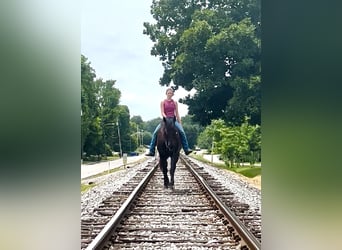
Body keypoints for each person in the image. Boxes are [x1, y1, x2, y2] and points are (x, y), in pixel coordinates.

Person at [145, 88, 193, 156]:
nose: (169, 94)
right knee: (155, 132)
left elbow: (177, 113)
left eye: (171, 93)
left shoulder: (175, 102)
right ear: (166, 94)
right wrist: (166, 118)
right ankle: (151, 150)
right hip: (165, 120)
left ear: (172, 94)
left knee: (182, 132)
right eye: (168, 93)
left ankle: (186, 149)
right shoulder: (163, 102)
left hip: (173, 120)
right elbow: (162, 112)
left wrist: (180, 123)